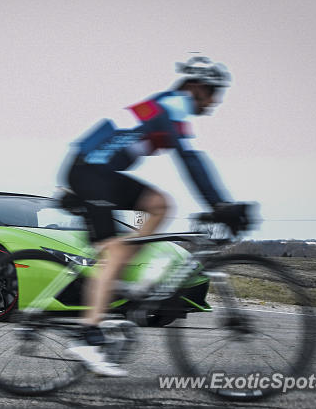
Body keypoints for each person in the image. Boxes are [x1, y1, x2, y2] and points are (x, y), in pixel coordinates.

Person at [60, 56, 250, 376]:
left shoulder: (165, 107)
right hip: (90, 173)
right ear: (195, 87)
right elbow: (190, 160)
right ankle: (86, 336)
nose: (216, 100)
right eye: (213, 91)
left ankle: (119, 275)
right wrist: (220, 205)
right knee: (113, 251)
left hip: (100, 172)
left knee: (160, 205)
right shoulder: (173, 104)